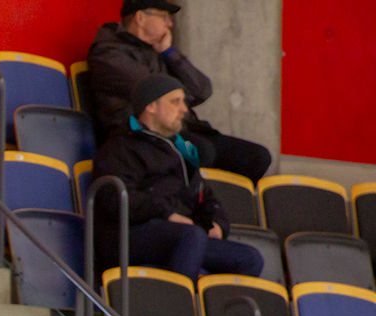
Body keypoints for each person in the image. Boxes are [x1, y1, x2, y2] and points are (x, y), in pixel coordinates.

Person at [90, 74, 264, 281]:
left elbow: (205, 195)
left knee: (250, 258)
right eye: (175, 102)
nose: (184, 109)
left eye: (183, 102)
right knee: (191, 235)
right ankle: (176, 299)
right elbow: (114, 197)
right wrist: (167, 214)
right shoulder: (120, 147)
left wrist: (217, 223)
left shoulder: (180, 150)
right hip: (130, 234)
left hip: (179, 235)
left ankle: (205, 301)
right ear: (151, 106)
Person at [87, 0, 272, 182]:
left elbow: (202, 90)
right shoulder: (108, 54)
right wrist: (180, 92)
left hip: (181, 128)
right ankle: (193, 199)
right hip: (141, 135)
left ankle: (219, 202)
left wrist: (169, 52)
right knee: (201, 152)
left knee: (257, 157)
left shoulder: (157, 52)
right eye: (164, 17)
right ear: (140, 18)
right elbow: (158, 91)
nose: (170, 24)